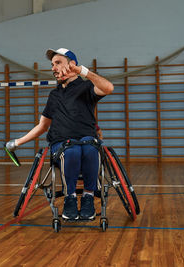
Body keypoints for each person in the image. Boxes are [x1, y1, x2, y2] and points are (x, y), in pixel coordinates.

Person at [6, 48, 114, 220]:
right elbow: (42, 126)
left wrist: (82, 71)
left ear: (72, 64)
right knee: (71, 149)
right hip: (62, 143)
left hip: (87, 139)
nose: (53, 68)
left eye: (58, 63)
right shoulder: (54, 95)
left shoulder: (87, 87)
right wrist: (17, 142)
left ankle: (88, 198)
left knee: (89, 147)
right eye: (52, 64)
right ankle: (70, 198)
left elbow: (108, 88)